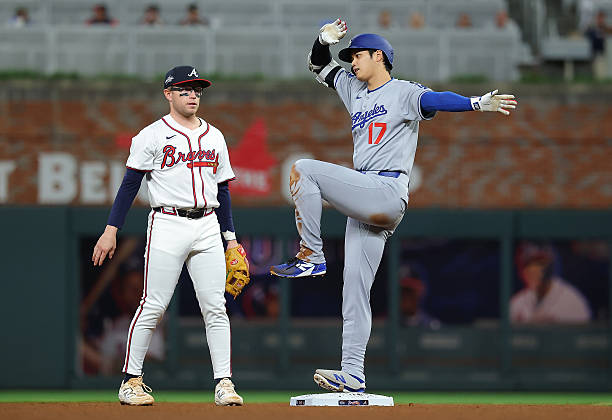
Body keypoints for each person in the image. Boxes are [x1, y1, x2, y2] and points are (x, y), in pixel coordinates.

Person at [270, 18, 516, 393]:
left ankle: (311, 254)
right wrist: (321, 39)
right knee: (354, 289)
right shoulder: (353, 89)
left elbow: (435, 99)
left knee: (303, 169)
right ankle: (352, 373)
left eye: (358, 55)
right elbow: (319, 66)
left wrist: (476, 102)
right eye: (350, 56)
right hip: (367, 198)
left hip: (385, 188)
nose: (352, 62)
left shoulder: (402, 91)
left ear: (379, 56)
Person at [92, 65, 246, 406]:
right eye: (185, 89)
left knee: (215, 307)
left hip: (207, 224)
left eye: (197, 90)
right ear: (168, 94)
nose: (193, 95)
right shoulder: (151, 135)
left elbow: (223, 190)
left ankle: (224, 383)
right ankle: (131, 381)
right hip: (168, 221)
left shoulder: (215, 136)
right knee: (153, 304)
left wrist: (231, 238)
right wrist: (110, 230)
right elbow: (130, 184)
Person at [510, 243, 591, 324]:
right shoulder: (517, 303)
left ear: (550, 267)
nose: (533, 269)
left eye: (541, 264)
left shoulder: (573, 302)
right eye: (529, 264)